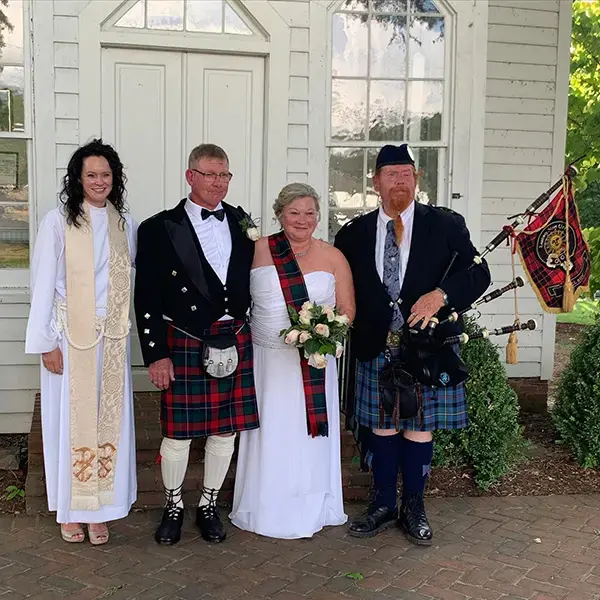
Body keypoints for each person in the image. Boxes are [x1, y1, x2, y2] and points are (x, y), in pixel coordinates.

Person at [335, 144, 491, 544]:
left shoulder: (444, 225)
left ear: (416, 178)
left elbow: (479, 274)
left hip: (428, 347)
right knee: (383, 430)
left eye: (406, 173)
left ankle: (414, 506)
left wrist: (441, 295)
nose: (399, 180)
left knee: (420, 430)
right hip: (377, 346)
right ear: (376, 182)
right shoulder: (351, 234)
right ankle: (384, 504)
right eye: (391, 174)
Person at [134, 143, 259, 546]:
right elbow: (147, 297)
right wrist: (156, 355)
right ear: (191, 176)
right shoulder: (158, 228)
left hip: (235, 337)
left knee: (226, 432)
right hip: (186, 340)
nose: (218, 182)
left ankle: (208, 504)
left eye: (224, 175)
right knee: (179, 433)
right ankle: (173, 504)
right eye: (210, 174)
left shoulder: (241, 220)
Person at [25, 139, 138, 545]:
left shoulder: (123, 222)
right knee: (71, 424)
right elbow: (41, 285)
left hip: (112, 341)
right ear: (77, 178)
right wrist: (45, 342)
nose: (99, 181)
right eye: (91, 174)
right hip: (69, 338)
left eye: (106, 174)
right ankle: (72, 509)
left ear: (115, 179)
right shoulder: (57, 222)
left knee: (108, 422)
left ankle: (101, 508)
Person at [229, 183, 355, 539]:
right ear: (279, 214)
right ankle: (266, 505)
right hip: (267, 362)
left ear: (319, 216)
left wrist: (325, 336)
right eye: (294, 212)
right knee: (271, 429)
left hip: (314, 361)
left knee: (307, 432)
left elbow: (347, 310)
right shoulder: (256, 250)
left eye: (310, 213)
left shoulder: (333, 257)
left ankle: (310, 502)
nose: (303, 220)